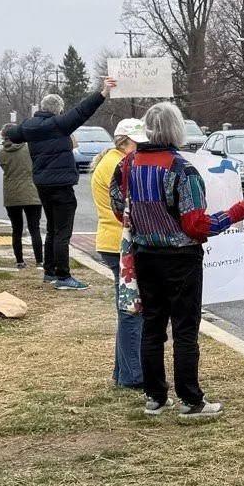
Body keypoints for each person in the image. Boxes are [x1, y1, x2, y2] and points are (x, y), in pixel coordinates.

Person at [110, 99, 244, 420]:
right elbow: (195, 225)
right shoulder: (181, 169)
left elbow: (119, 208)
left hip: (144, 255)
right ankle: (191, 400)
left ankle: (155, 397)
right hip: (182, 258)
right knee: (185, 330)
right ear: (176, 130)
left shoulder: (126, 165)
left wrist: (145, 224)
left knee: (152, 327)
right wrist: (232, 214)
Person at [2, 75, 115, 289]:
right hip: (62, 185)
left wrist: (12, 131)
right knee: (63, 232)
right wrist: (102, 93)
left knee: (52, 230)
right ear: (58, 109)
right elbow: (82, 111)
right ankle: (63, 277)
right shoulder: (59, 124)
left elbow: (12, 135)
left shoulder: (28, 126)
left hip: (42, 185)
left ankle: (49, 272)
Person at [91, 116, 146, 390]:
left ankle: (123, 371)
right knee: (132, 311)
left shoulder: (110, 160)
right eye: (139, 142)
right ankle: (133, 375)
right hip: (120, 244)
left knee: (129, 309)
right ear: (125, 142)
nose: (142, 147)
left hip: (112, 241)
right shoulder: (119, 164)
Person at [0, 128, 42, 268]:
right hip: (31, 191)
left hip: (11, 194)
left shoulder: (1, 154)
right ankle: (40, 261)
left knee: (16, 229)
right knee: (35, 228)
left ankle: (20, 261)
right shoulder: (29, 150)